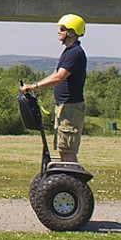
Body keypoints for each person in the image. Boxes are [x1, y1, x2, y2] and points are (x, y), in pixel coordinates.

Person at [21, 13, 87, 164]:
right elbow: (55, 74)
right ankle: (67, 182)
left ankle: (72, 184)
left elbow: (59, 77)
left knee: (68, 150)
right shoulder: (69, 52)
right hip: (65, 106)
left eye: (62, 29)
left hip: (70, 107)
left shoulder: (75, 53)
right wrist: (34, 86)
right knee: (63, 148)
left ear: (71, 32)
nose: (59, 32)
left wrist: (34, 86)